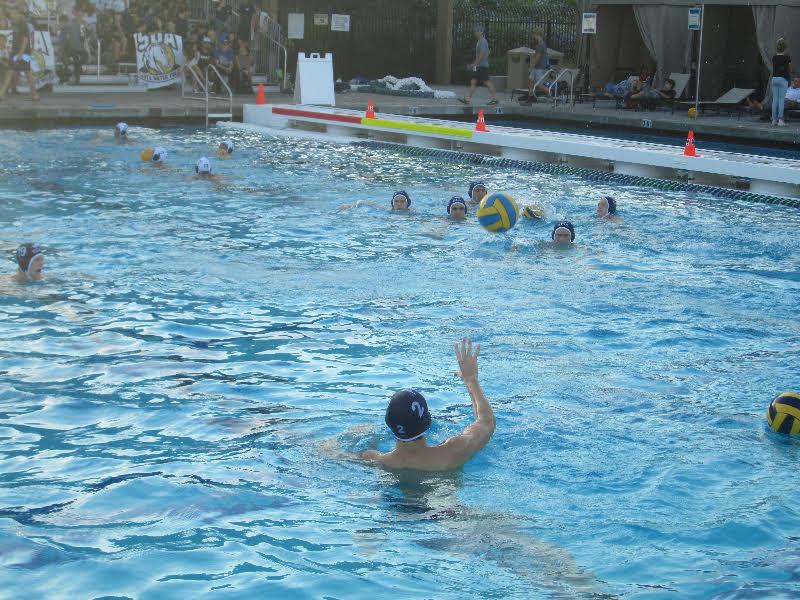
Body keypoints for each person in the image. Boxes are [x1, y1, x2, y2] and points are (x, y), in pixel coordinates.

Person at [357, 338, 495, 472]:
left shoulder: (375, 459)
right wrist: (470, 379)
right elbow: (487, 422)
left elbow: (337, 455)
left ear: (389, 422)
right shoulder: (453, 451)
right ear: (427, 420)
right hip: (440, 492)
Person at [0, 7, 40, 101]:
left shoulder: (23, 24)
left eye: (14, 13)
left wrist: (20, 53)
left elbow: (26, 39)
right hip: (16, 53)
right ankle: (1, 94)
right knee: (10, 72)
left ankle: (35, 94)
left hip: (23, 53)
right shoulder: (15, 24)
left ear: (19, 14)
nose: (12, 15)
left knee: (28, 73)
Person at [458, 26, 499, 106]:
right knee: (473, 82)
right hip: (479, 66)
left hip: (482, 66)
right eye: (475, 31)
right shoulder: (480, 41)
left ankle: (495, 99)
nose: (475, 32)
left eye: (477, 31)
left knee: (487, 82)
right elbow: (485, 53)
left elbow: (482, 54)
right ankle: (467, 99)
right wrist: (474, 64)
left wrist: (475, 64)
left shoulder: (483, 41)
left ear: (481, 32)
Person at [771, 38, 792, 126]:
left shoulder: (774, 57)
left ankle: (774, 120)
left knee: (775, 100)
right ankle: (780, 120)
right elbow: (790, 70)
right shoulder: (787, 58)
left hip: (774, 79)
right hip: (783, 79)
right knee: (781, 100)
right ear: (785, 48)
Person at [526, 31, 550, 101]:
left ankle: (551, 95)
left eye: (534, 35)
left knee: (540, 85)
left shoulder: (540, 45)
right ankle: (531, 97)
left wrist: (531, 66)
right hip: (537, 67)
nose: (533, 37)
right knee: (531, 81)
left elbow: (537, 58)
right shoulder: (541, 44)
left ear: (537, 34)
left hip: (540, 67)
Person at [339, 191, 412, 212]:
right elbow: (363, 202)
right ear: (392, 203)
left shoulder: (411, 215)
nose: (399, 204)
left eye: (402, 201)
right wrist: (350, 205)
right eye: (396, 201)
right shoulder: (387, 209)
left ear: (407, 203)